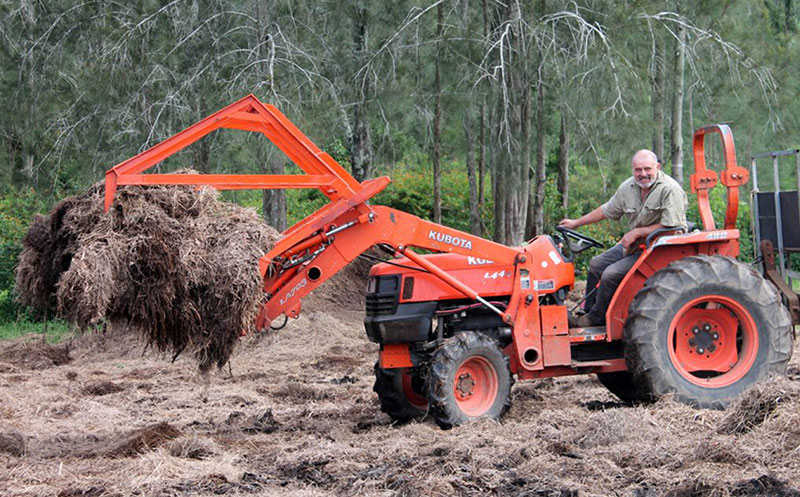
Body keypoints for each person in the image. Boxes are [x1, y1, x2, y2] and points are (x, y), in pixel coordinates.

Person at [559, 149, 688, 328]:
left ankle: (596, 321)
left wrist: (637, 232)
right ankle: (588, 312)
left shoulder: (670, 189)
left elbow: (671, 227)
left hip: (660, 249)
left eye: (647, 169)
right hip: (638, 245)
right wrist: (576, 223)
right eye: (638, 170)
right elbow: (607, 210)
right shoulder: (629, 187)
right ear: (633, 170)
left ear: (657, 167)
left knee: (610, 274)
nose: (643, 174)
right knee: (596, 264)